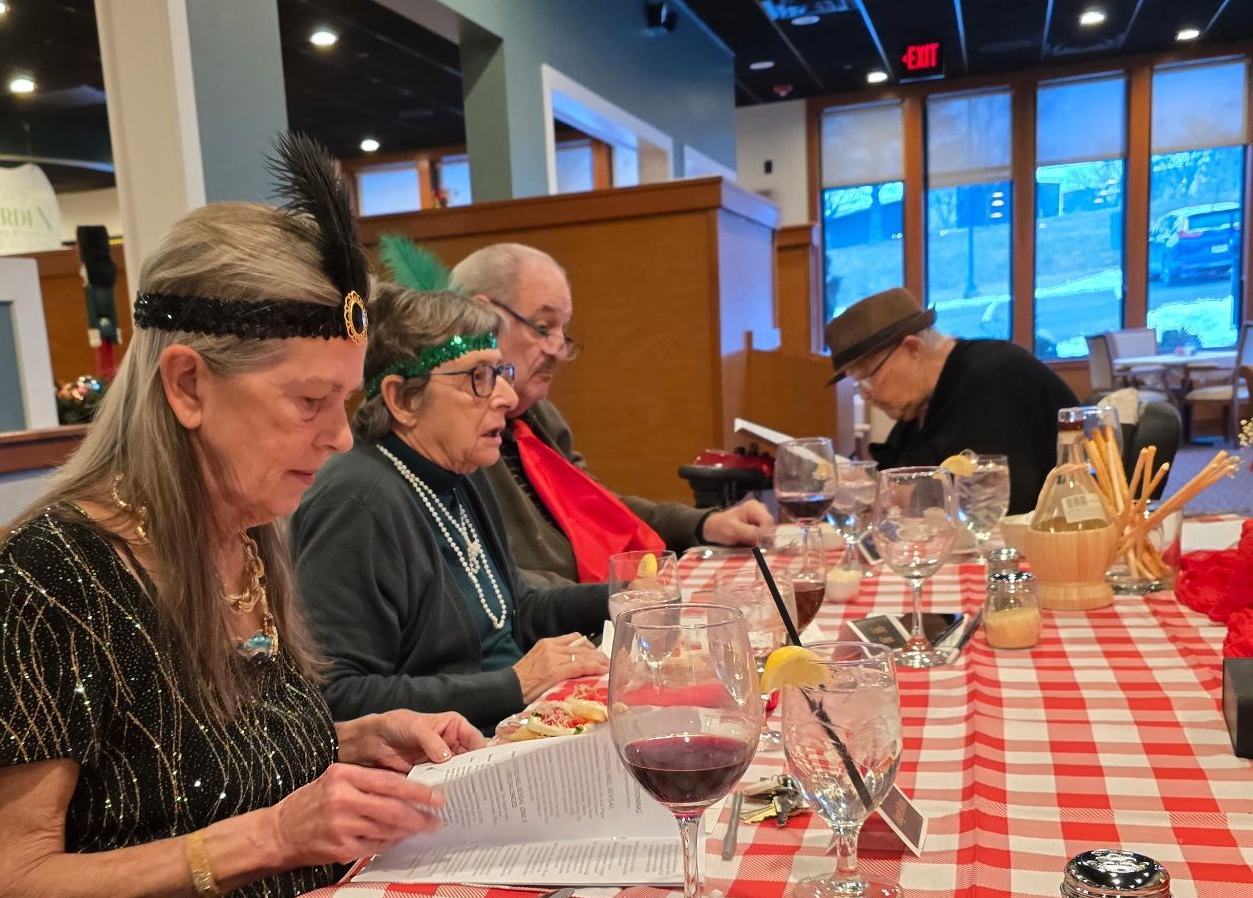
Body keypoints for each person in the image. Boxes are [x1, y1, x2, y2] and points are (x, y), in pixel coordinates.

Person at [0, 136, 479, 898]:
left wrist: (358, 741)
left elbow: (201, 771)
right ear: (188, 385)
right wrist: (273, 836)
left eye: (343, 399)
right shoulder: (56, 576)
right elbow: (8, 897)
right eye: (308, 400)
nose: (341, 437)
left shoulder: (249, 528)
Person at [290, 279, 608, 727]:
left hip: (512, 726)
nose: (507, 397)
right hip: (450, 754)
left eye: (500, 373)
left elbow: (513, 611)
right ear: (402, 399)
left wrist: (624, 596)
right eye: (479, 378)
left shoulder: (459, 471)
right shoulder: (357, 503)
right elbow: (338, 696)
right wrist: (514, 684)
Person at [448, 242, 775, 588]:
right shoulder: (451, 433)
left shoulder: (539, 417)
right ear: (482, 319)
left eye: (563, 331)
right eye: (543, 327)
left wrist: (705, 524)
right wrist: (613, 594)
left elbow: (600, 511)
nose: (559, 351)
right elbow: (481, 579)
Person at [824, 287, 1074, 514]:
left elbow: (993, 501)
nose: (865, 394)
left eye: (868, 378)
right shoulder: (920, 406)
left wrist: (883, 493)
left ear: (912, 349)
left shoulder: (991, 375)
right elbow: (897, 478)